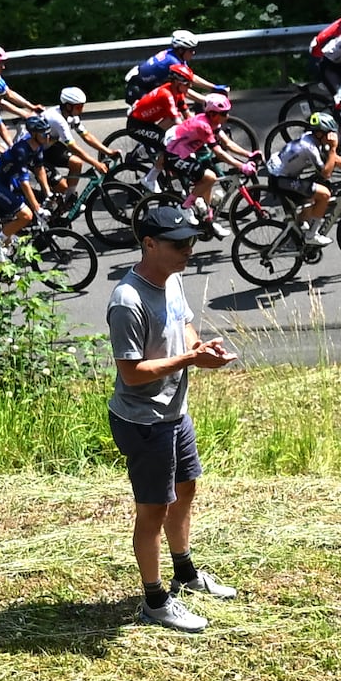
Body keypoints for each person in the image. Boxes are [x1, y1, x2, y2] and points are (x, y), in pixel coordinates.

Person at [108, 210, 241, 632]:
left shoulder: (173, 279)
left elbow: (185, 328)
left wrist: (203, 350)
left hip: (173, 412)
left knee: (186, 489)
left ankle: (185, 572)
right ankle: (155, 601)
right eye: (178, 244)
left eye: (190, 242)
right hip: (145, 422)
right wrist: (189, 359)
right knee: (153, 512)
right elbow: (131, 373)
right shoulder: (127, 301)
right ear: (149, 244)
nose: (188, 250)